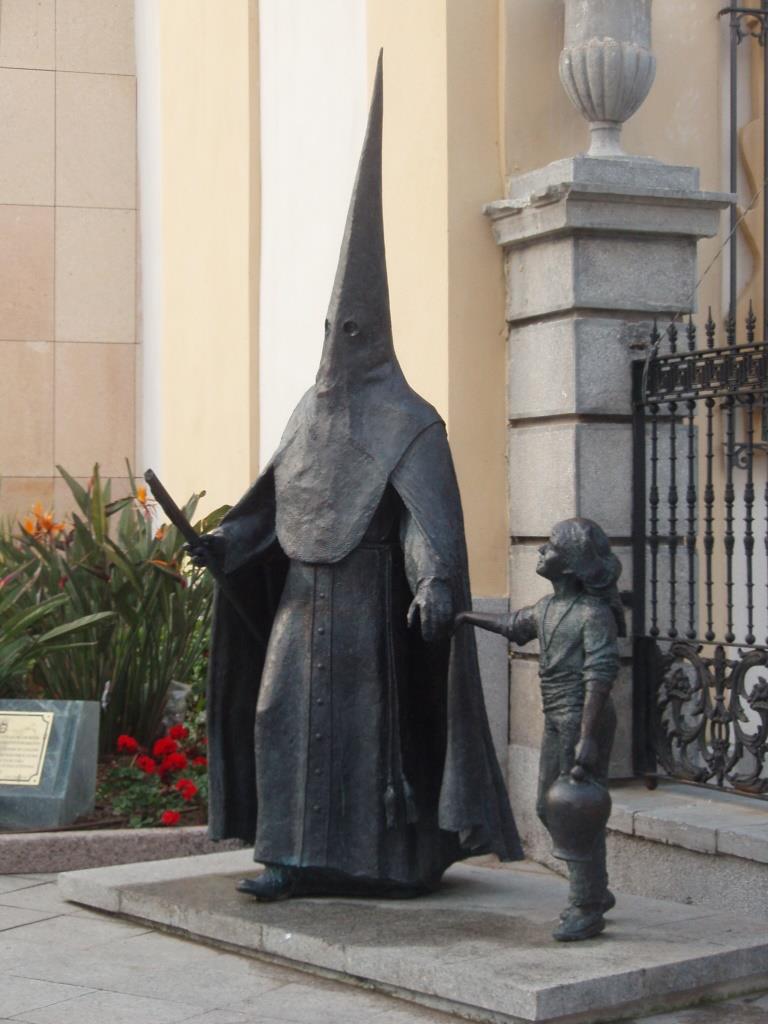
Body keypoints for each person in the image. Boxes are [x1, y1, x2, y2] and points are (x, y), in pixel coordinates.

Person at [190, 54, 522, 901]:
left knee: (371, 735)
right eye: (330, 326)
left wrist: (433, 579)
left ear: (374, 333)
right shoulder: (309, 411)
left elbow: (420, 522)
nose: (337, 340)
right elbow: (275, 501)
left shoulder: (410, 419)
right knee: (280, 713)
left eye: (351, 327)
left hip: (372, 609)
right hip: (303, 602)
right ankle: (289, 857)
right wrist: (226, 541)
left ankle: (391, 861)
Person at [455, 517, 624, 941]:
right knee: (551, 809)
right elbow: (513, 625)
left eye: (549, 547)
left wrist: (587, 736)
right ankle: (596, 890)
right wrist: (464, 616)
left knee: (572, 810)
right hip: (558, 717)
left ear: (569, 564)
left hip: (582, 719)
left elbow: (600, 674)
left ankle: (585, 906)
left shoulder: (593, 614)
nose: (541, 551)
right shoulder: (549, 608)